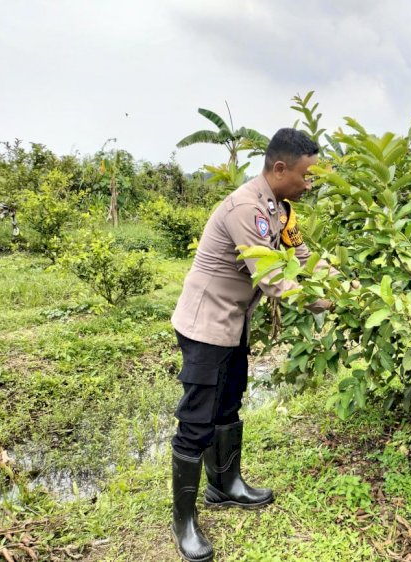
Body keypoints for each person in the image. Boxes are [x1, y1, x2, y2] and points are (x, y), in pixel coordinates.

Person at [169, 128, 334, 562]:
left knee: (228, 405)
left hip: (233, 323)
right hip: (206, 325)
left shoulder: (280, 208)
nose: (309, 183)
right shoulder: (247, 207)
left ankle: (225, 486)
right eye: (305, 175)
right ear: (279, 168)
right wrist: (324, 300)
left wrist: (342, 282)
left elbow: (300, 258)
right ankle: (183, 522)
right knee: (197, 418)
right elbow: (273, 277)